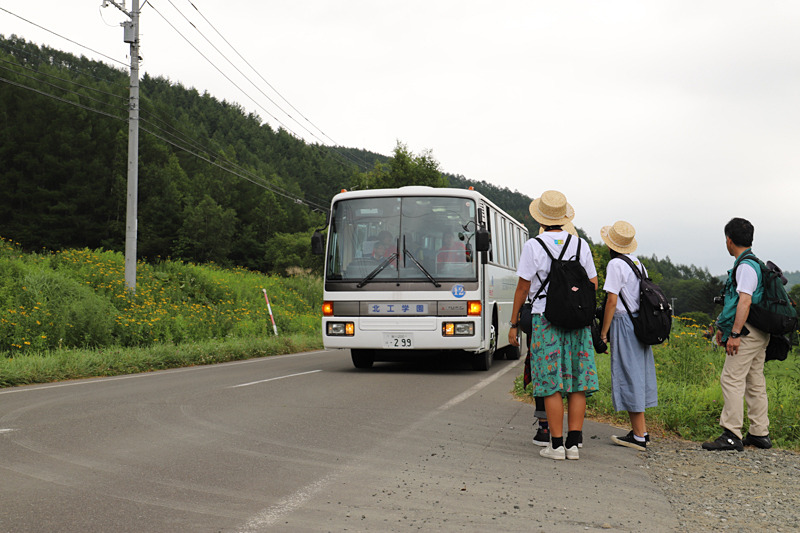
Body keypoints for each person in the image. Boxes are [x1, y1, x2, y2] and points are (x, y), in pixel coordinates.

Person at [509, 190, 599, 461]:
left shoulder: (534, 246)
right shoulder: (581, 245)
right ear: (564, 217)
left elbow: (523, 287)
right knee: (577, 382)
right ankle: (573, 445)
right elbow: (593, 284)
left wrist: (513, 323)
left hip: (545, 319)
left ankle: (556, 446)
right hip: (578, 321)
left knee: (551, 383)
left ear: (541, 219)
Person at [702, 217, 772, 451]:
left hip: (747, 332)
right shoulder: (756, 263)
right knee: (754, 381)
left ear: (729, 240)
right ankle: (759, 433)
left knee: (731, 378)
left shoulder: (745, 267)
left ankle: (731, 434)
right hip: (760, 331)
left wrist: (734, 333)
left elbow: (744, 301)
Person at [599, 221, 657, 452]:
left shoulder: (615, 264)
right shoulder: (638, 264)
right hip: (640, 322)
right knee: (639, 375)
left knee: (629, 375)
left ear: (611, 245)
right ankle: (641, 431)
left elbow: (612, 301)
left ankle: (639, 436)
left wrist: (604, 332)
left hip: (624, 323)